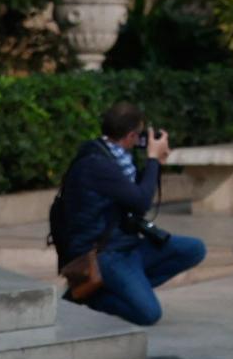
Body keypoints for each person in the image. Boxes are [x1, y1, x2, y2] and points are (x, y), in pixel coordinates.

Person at [52, 102, 206, 326]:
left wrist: (156, 163)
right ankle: (93, 297)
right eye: (139, 135)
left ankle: (123, 287)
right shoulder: (97, 165)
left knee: (194, 249)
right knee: (149, 314)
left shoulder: (117, 159)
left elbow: (133, 196)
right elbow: (141, 201)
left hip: (127, 246)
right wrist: (152, 159)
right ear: (132, 135)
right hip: (104, 254)